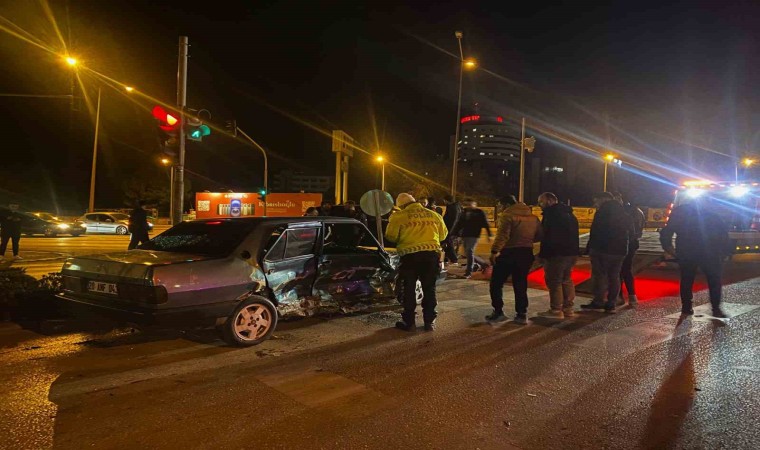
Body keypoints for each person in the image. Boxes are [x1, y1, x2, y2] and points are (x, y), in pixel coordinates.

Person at [385, 193, 448, 332]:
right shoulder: (433, 214)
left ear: (401, 206)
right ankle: (429, 323)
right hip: (431, 256)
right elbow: (443, 234)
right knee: (429, 289)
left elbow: (391, 236)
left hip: (410, 258)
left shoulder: (399, 216)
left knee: (408, 289)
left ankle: (410, 323)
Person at [660, 197, 729, 318]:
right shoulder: (712, 215)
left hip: (687, 251)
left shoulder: (680, 213)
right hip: (709, 252)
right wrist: (725, 252)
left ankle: (686, 307)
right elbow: (723, 234)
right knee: (714, 280)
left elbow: (667, 232)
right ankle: (716, 308)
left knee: (687, 279)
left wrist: (669, 248)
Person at [486, 195, 542, 325]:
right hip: (526, 252)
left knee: (496, 283)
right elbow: (539, 235)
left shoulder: (507, 216)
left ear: (506, 204)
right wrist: (526, 240)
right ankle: (522, 314)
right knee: (520, 283)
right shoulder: (533, 217)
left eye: (500, 205)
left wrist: (494, 252)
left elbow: (503, 236)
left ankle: (498, 311)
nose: (499, 208)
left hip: (509, 253)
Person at [581, 192, 633, 313]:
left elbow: (595, 232)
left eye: (597, 201)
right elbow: (632, 232)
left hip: (602, 249)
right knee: (614, 276)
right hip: (620, 251)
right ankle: (611, 303)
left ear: (604, 199)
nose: (595, 204)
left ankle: (598, 301)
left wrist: (590, 249)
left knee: (599, 276)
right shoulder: (624, 213)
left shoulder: (602, 213)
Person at [536, 192, 579, 319]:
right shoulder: (570, 215)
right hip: (571, 253)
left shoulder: (552, 215)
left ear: (550, 201)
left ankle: (556, 310)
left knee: (554, 281)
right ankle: (568, 308)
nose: (540, 205)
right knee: (566, 279)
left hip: (556, 254)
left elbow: (548, 237)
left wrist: (543, 255)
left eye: (541, 202)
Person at [613, 192, 646, 307]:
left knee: (618, 271)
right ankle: (632, 297)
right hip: (633, 244)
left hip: (623, 244)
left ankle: (619, 296)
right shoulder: (639, 212)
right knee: (627, 270)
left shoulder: (623, 213)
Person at [451, 198, 492, 278]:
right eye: (467, 204)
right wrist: (453, 233)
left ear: (475, 204)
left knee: (469, 251)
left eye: (470, 204)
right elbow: (459, 223)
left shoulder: (479, 212)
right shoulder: (464, 212)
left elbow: (485, 223)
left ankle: (468, 272)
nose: (469, 206)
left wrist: (489, 234)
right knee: (467, 253)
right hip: (465, 234)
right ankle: (484, 264)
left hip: (474, 235)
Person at [442, 194, 462, 265]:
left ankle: (454, 259)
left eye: (444, 200)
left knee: (448, 243)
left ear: (447, 200)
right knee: (446, 243)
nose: (443, 201)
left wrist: (449, 232)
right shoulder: (455, 206)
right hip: (451, 229)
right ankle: (446, 259)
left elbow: (454, 220)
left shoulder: (453, 208)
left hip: (451, 230)